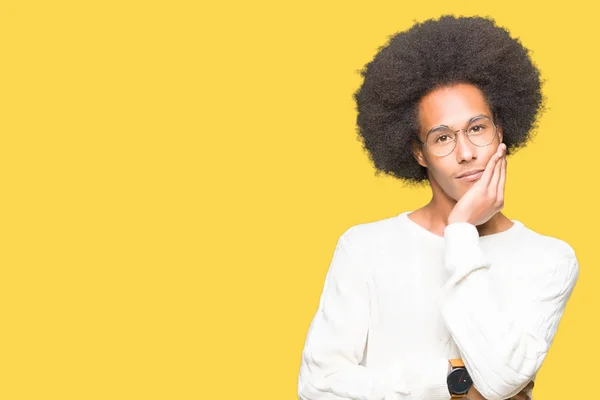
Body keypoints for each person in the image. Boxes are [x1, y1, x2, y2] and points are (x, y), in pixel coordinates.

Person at [297, 15, 579, 400]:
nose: (466, 153)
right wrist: (451, 382)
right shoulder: (363, 248)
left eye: (477, 128)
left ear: (501, 130)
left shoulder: (550, 258)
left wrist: (461, 231)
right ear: (419, 152)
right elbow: (317, 386)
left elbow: (502, 380)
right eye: (442, 137)